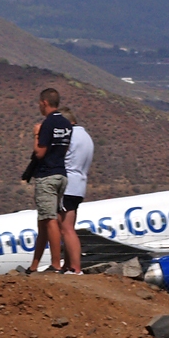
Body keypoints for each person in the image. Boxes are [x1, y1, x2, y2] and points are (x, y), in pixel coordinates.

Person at [25, 87, 72, 273]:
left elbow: (40, 152)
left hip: (47, 176)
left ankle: (55, 264)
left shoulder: (48, 124)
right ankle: (34, 265)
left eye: (39, 104)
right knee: (44, 221)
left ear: (44, 103)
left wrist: (36, 135)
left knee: (50, 220)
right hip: (61, 174)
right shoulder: (66, 124)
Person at [58, 107, 94, 275]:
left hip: (68, 185)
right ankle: (68, 265)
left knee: (66, 229)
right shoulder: (85, 136)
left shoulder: (69, 135)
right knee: (68, 227)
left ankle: (75, 268)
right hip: (79, 185)